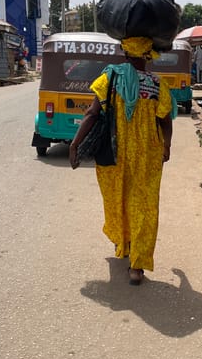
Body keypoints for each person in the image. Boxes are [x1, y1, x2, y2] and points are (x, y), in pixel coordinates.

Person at [69, 36, 174, 285]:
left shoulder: (110, 79)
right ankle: (137, 266)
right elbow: (165, 120)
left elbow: (92, 113)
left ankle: (124, 243)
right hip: (148, 156)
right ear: (148, 55)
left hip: (115, 155)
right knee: (145, 207)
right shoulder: (158, 85)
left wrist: (75, 144)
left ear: (124, 53)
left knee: (119, 199)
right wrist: (167, 146)